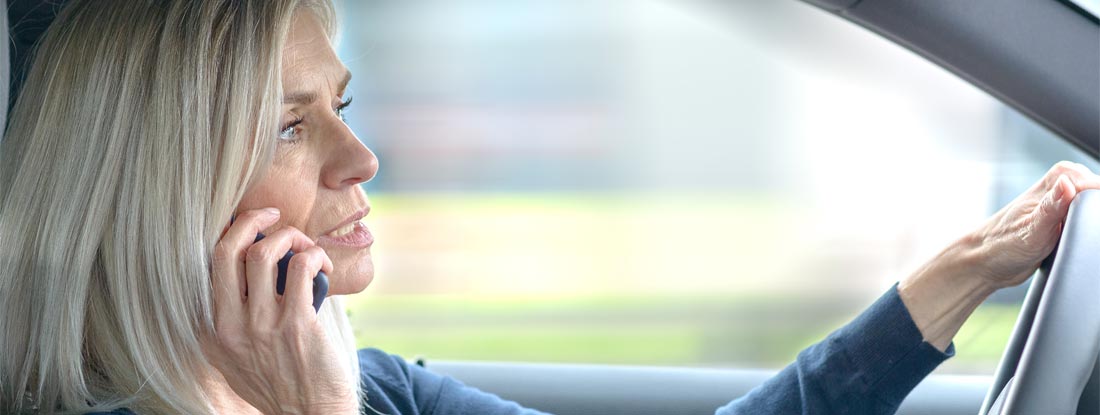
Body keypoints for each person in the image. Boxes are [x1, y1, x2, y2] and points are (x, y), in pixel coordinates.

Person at [0, 0, 1097, 414]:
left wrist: (957, 274)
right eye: (291, 127)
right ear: (159, 190)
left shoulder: (373, 382)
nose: (362, 157)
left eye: (342, 106)